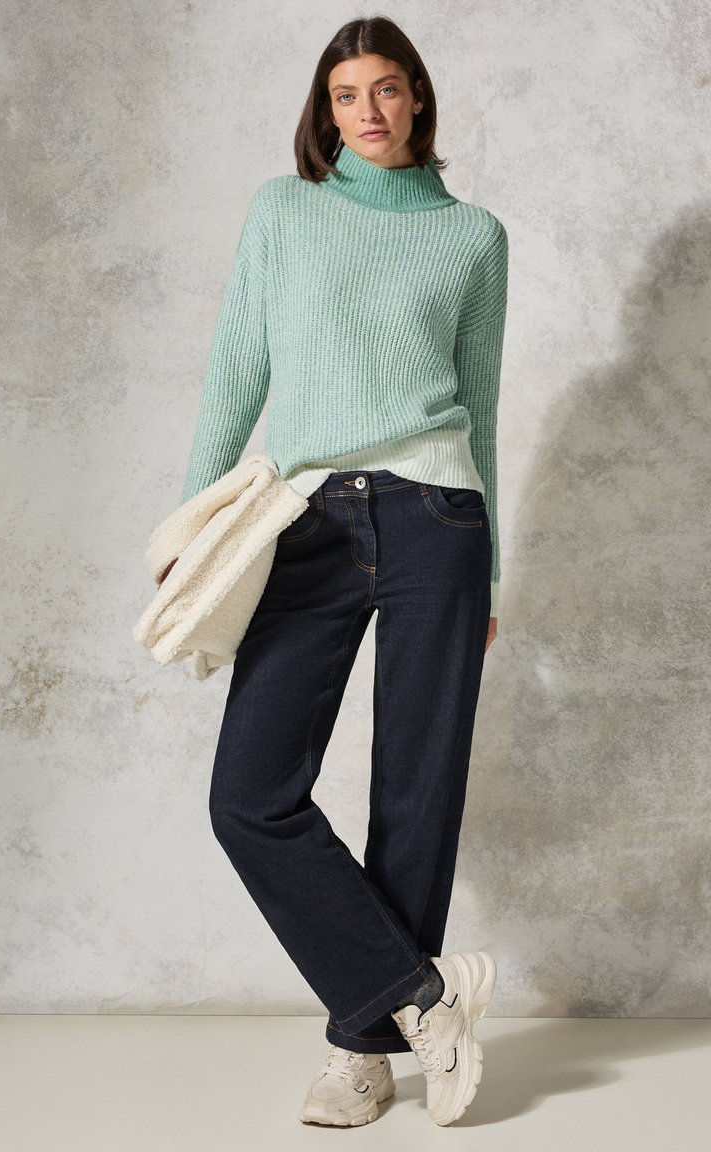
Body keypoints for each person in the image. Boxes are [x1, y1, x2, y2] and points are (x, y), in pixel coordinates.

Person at [177, 15, 508, 1129]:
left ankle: (360, 1056)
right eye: (344, 94)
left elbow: (482, 405)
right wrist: (189, 526)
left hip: (437, 518)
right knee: (249, 795)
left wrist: (491, 572)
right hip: (308, 521)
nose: (368, 111)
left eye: (386, 89)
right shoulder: (286, 210)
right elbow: (238, 363)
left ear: (418, 98)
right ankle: (420, 998)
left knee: (416, 790)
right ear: (324, 111)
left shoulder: (472, 237)